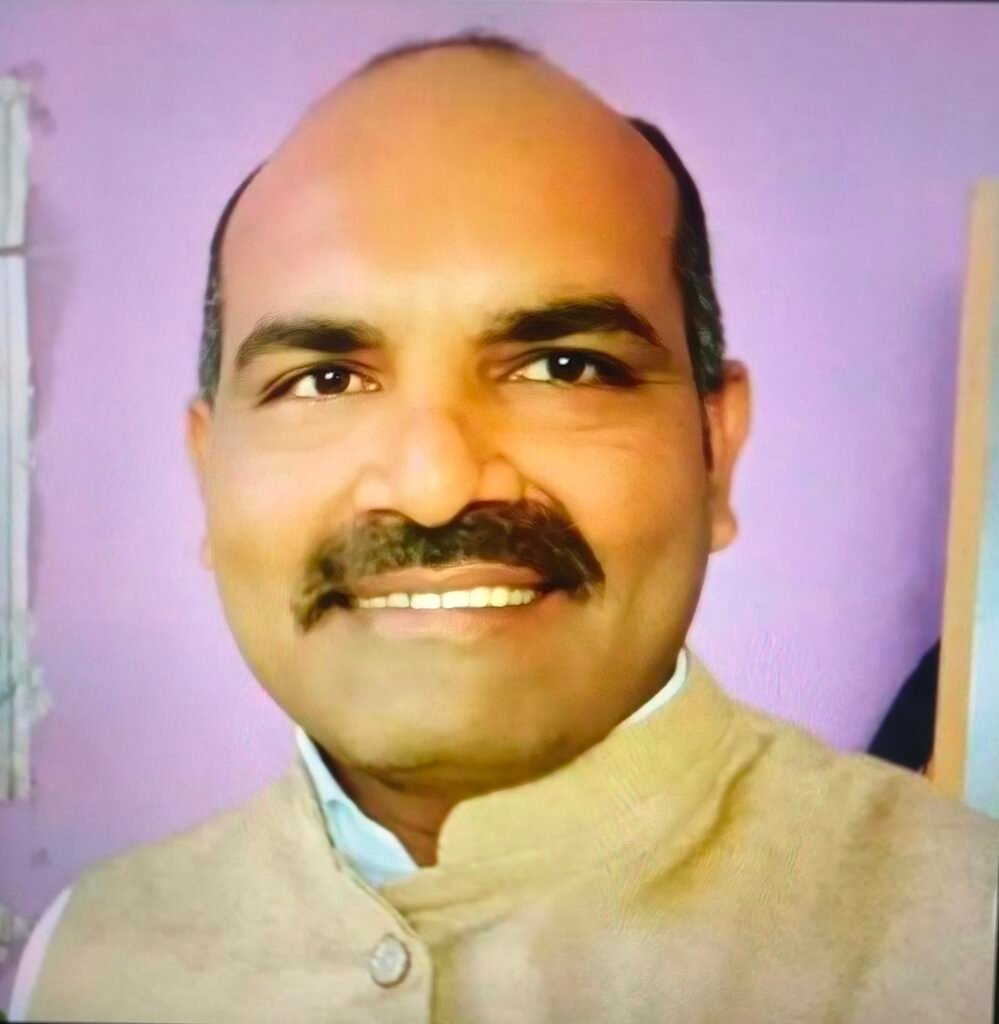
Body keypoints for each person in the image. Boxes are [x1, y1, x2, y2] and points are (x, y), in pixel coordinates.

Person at [10, 31, 999, 1024]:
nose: (434, 486)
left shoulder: (961, 935)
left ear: (717, 448)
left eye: (563, 367)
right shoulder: (83, 964)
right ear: (207, 471)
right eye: (325, 379)